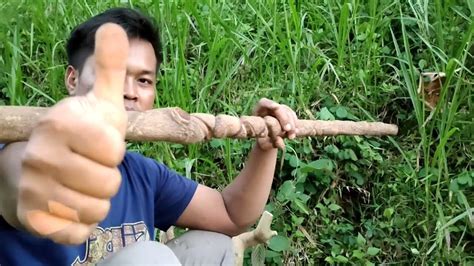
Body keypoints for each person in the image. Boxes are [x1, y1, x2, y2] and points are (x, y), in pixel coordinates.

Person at [0, 7, 298, 265]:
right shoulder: (17, 154)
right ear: (72, 78)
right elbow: (22, 179)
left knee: (212, 246)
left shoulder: (142, 175)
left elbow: (230, 214)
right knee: (149, 258)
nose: (129, 92)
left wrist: (266, 145)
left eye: (143, 80)